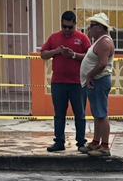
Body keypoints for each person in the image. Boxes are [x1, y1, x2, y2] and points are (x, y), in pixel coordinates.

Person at [39, 11, 91, 152]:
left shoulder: (82, 38)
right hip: (59, 83)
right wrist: (56, 51)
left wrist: (73, 55)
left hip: (77, 83)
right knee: (59, 114)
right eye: (64, 27)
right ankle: (59, 142)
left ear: (75, 24)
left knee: (79, 114)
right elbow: (43, 54)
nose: (67, 30)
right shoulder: (54, 38)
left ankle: (81, 143)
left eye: (70, 27)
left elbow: (90, 57)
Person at [81, 13, 115, 158]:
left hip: (99, 80)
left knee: (101, 114)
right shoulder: (99, 41)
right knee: (97, 114)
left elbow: (102, 63)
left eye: (93, 26)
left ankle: (105, 146)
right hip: (96, 81)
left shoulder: (104, 43)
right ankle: (96, 142)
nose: (90, 28)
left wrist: (89, 75)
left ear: (100, 28)